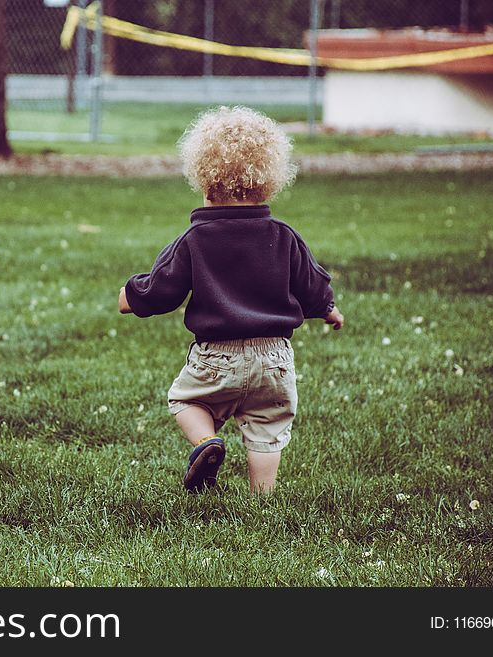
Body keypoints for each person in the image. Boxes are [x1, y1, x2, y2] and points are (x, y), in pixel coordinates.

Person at [118, 106, 345, 494]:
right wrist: (328, 309)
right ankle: (262, 500)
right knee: (267, 427)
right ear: (268, 183)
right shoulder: (284, 235)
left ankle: (206, 443)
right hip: (275, 358)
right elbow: (311, 283)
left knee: (186, 401)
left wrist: (130, 297)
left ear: (205, 184)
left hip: (216, 357)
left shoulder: (194, 239)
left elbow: (163, 288)